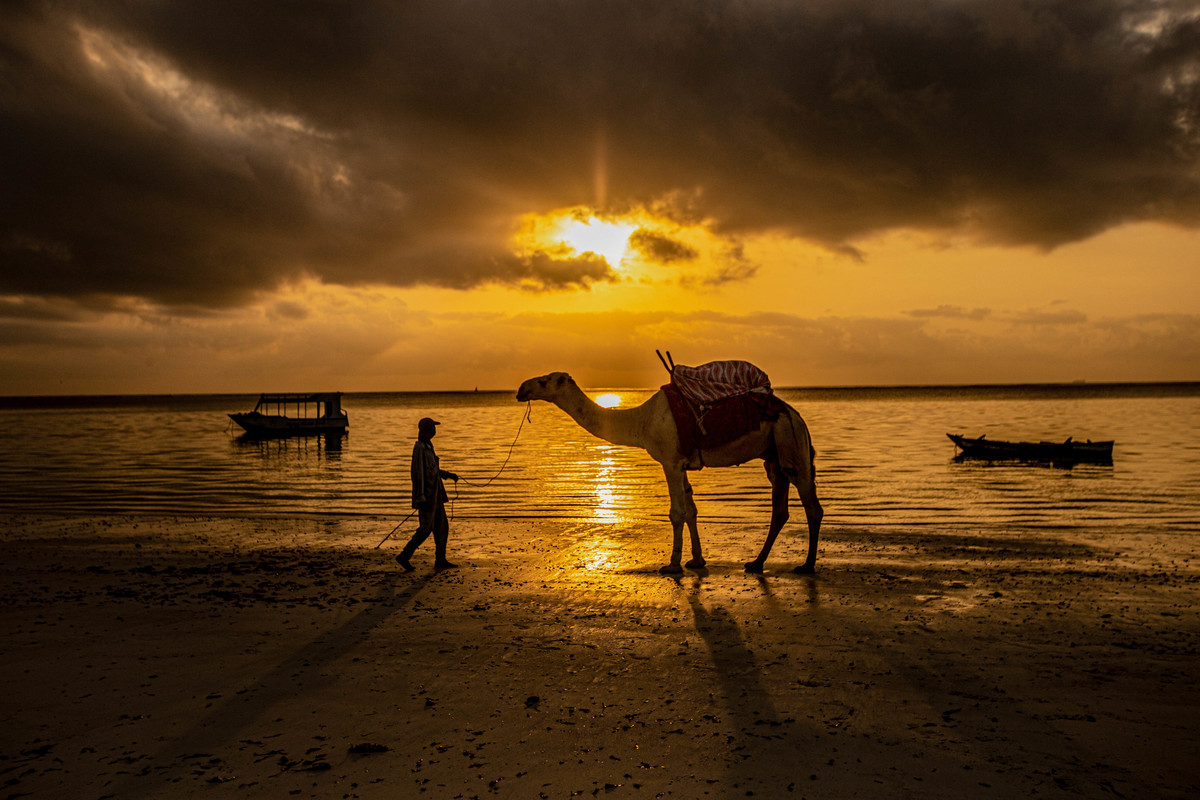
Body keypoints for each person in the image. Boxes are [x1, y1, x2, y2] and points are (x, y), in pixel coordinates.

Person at [396, 417, 459, 571]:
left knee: (442, 527)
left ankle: (441, 559)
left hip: (437, 495)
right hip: (427, 497)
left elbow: (433, 470)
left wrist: (448, 474)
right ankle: (404, 555)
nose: (435, 430)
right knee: (425, 528)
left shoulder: (429, 446)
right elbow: (417, 473)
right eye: (433, 427)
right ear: (427, 430)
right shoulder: (419, 448)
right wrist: (420, 496)